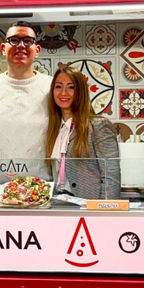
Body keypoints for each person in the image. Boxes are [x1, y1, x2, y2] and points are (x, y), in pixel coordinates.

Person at [0, 21, 52, 177]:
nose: (21, 46)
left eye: (27, 41)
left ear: (37, 50)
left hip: (40, 186)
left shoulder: (52, 88)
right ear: (3, 49)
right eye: (14, 40)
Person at [46, 64, 121, 200]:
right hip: (59, 203)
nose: (63, 93)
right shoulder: (54, 129)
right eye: (58, 86)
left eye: (71, 87)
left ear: (81, 92)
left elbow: (111, 175)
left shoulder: (98, 126)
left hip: (89, 204)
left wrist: (105, 208)